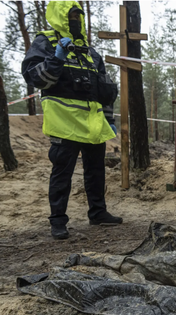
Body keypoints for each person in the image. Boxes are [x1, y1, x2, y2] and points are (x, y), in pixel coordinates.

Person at [22, 1, 121, 240]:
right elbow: (36, 78)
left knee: (96, 170)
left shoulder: (89, 52)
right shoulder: (45, 42)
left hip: (92, 123)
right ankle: (58, 221)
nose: (75, 21)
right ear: (60, 17)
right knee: (62, 173)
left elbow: (103, 88)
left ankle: (98, 213)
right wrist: (56, 58)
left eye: (78, 17)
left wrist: (109, 119)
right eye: (71, 16)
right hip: (64, 123)